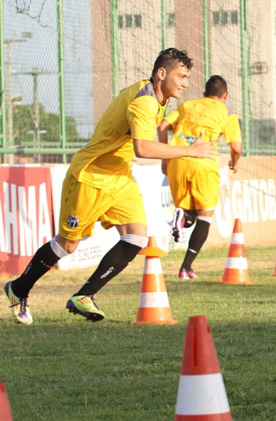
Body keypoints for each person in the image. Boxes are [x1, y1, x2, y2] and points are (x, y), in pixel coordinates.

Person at [3, 48, 217, 324]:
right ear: (162, 74)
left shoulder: (158, 98)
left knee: (136, 238)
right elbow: (143, 148)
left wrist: (174, 155)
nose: (186, 83)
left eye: (187, 77)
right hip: (91, 176)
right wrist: (189, 151)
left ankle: (84, 295)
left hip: (119, 177)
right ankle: (19, 288)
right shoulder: (144, 101)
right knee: (68, 245)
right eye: (182, 76)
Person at [158, 74, 242, 279]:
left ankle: (181, 215)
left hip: (178, 160)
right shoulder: (227, 112)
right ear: (225, 95)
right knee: (204, 217)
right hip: (204, 163)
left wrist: (164, 157)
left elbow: (162, 126)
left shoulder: (187, 106)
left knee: (187, 217)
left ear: (204, 93)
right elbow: (236, 147)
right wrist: (234, 161)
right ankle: (186, 267)